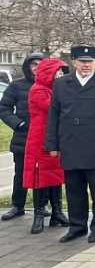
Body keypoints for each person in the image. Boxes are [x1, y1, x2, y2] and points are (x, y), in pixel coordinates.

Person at [45, 45, 95, 243]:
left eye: (89, 62)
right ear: (74, 62)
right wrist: (52, 144)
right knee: (74, 188)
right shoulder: (62, 84)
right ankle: (77, 226)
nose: (86, 65)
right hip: (70, 143)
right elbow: (53, 115)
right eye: (82, 61)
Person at [23, 58, 70, 233]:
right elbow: (54, 108)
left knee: (55, 176)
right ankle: (39, 214)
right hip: (40, 140)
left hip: (54, 139)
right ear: (49, 72)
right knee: (40, 178)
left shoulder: (53, 90)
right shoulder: (38, 90)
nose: (60, 75)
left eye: (61, 72)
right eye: (57, 72)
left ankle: (57, 212)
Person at [0, 52, 43, 221]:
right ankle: (17, 205)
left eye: (40, 64)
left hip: (44, 138)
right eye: (34, 64)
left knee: (42, 174)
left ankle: (41, 206)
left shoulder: (53, 85)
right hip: (23, 137)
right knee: (21, 173)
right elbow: (4, 109)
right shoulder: (16, 86)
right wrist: (19, 124)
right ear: (28, 66)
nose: (37, 68)